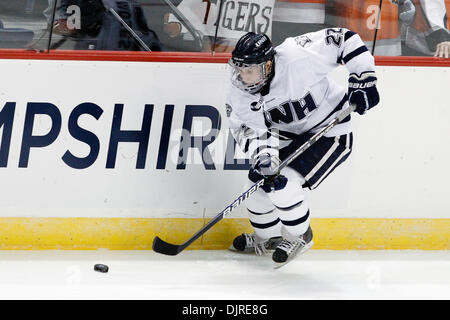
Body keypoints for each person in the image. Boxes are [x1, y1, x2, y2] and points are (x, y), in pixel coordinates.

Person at [225, 29, 380, 266]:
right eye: (240, 69)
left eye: (250, 70)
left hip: (330, 131)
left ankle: (301, 236)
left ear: (268, 64)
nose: (244, 76)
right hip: (290, 138)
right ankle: (269, 239)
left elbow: (344, 39)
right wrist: (264, 157)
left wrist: (363, 78)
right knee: (256, 186)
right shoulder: (240, 91)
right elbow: (250, 129)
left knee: (283, 184)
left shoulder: (297, 55)